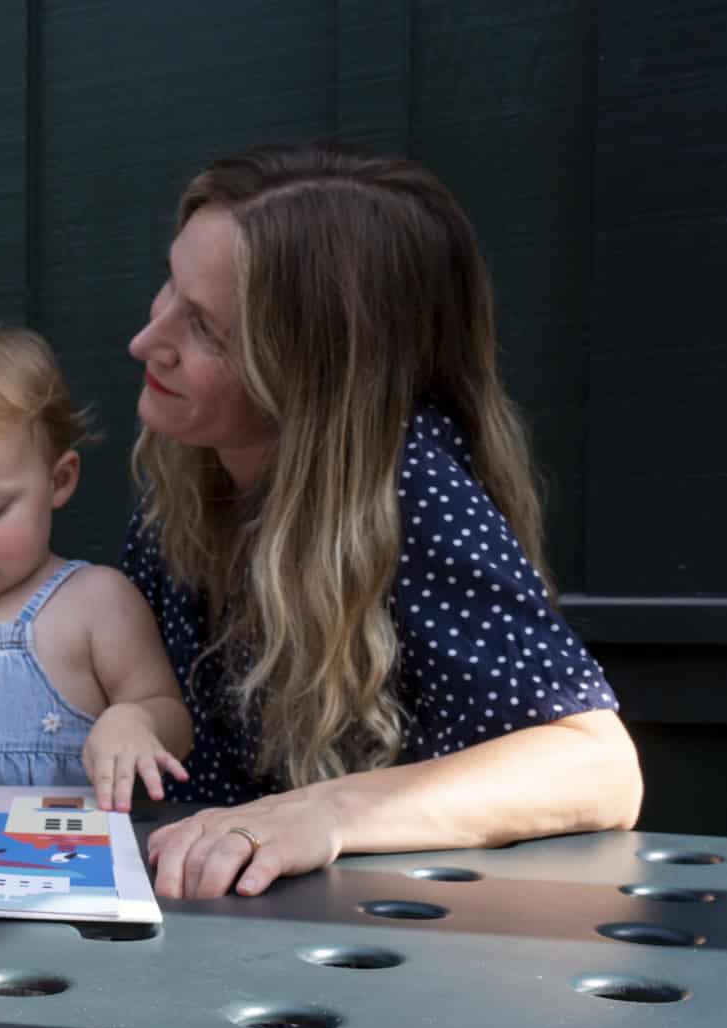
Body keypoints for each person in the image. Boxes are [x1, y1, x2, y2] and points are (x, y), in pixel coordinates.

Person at [122, 143, 642, 899]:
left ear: (315, 372)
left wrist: (326, 814)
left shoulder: (408, 491)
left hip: (396, 933)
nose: (146, 341)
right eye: (170, 284)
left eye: (205, 328)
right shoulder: (188, 474)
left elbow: (598, 765)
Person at [0, 326, 192, 806]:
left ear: (59, 480)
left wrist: (137, 719)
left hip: (66, 845)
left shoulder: (95, 602)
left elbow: (174, 719)